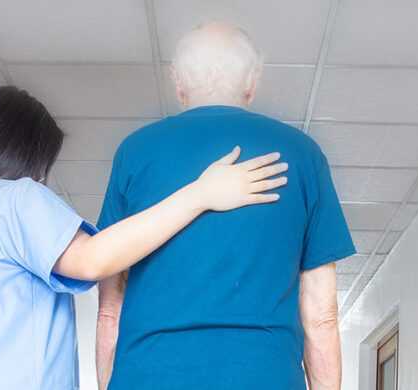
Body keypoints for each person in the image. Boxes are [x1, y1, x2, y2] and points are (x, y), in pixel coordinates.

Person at [0, 86, 290, 389]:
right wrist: (200, 194)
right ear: (25, 152)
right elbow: (94, 259)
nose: (43, 176)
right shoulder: (12, 197)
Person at [95, 21, 353, 390]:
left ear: (178, 82)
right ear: (253, 82)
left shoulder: (135, 152)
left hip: (150, 375)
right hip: (263, 376)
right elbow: (322, 318)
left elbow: (109, 311)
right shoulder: (301, 154)